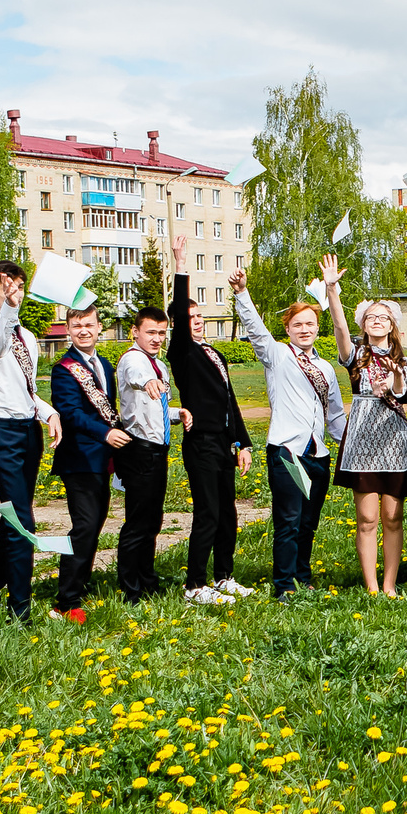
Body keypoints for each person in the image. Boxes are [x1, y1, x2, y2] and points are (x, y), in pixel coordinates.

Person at [231, 267, 344, 598]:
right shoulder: (277, 356)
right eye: (298, 325)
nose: (304, 329)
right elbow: (255, 329)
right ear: (288, 329)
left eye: (310, 324)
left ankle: (302, 576)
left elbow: (335, 414)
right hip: (288, 453)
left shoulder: (325, 368)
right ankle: (284, 585)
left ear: (317, 328)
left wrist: (351, 446)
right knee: (290, 520)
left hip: (317, 455)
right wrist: (242, 293)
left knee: (309, 521)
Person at [0, 261, 62, 622]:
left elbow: (25, 389)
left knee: (14, 517)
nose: (15, 293)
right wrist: (8, 308)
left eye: (19, 286)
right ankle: (19, 611)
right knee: (24, 520)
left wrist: (48, 412)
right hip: (1, 433)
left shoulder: (27, 336)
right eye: (7, 287)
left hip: (28, 430)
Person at [167, 237, 255, 604]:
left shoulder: (214, 352)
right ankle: (194, 585)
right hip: (199, 441)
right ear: (179, 325)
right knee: (207, 513)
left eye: (200, 316)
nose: (197, 322)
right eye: (190, 319)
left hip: (223, 443)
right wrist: (181, 264)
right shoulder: (182, 352)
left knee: (228, 513)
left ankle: (223, 576)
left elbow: (229, 401)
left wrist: (242, 442)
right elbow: (178, 307)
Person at [325, 263, 407, 597]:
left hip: (395, 440)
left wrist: (394, 379)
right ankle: (371, 587)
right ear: (363, 324)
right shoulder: (355, 355)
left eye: (383, 317)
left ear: (392, 324)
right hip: (363, 439)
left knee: (393, 517)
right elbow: (338, 325)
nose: (377, 321)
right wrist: (333, 290)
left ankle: (390, 584)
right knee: (367, 519)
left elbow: (404, 394)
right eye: (370, 317)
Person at [47, 302, 123, 624]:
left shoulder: (104, 365)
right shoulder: (63, 369)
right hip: (79, 458)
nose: (84, 330)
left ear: (98, 327)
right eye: (77, 325)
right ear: (68, 329)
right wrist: (106, 434)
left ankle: (80, 583)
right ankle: (66, 601)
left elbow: (110, 407)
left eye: (89, 324)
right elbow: (72, 414)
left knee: (94, 526)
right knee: (85, 527)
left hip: (103, 458)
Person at [111, 305, 181, 599]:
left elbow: (153, 409)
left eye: (161, 333)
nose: (156, 338)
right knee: (138, 521)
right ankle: (131, 588)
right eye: (150, 332)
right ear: (135, 332)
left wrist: (178, 413)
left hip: (158, 448)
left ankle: (147, 579)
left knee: (153, 520)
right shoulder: (133, 360)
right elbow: (138, 377)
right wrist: (149, 381)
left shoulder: (159, 365)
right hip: (139, 449)